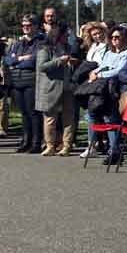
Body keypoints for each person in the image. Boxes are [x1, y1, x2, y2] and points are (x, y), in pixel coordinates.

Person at [86, 26, 127, 165]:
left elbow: (119, 71)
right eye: (112, 37)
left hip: (116, 90)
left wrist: (99, 74)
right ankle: (94, 145)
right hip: (102, 89)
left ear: (124, 38)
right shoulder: (108, 53)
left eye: (117, 37)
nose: (114, 40)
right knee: (92, 114)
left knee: (111, 119)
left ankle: (115, 151)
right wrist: (94, 72)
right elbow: (102, 66)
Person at [35, 23, 78, 157]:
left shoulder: (70, 48)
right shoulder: (45, 49)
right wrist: (60, 60)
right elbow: (42, 67)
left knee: (68, 118)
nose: (68, 37)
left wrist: (74, 62)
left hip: (68, 88)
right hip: (51, 88)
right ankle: (50, 146)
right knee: (50, 119)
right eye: (65, 35)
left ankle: (66, 146)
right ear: (57, 36)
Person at [5, 15, 45, 153]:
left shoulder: (40, 42)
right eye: (23, 25)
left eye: (28, 25)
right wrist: (21, 59)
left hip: (31, 81)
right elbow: (8, 60)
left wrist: (17, 60)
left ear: (35, 26)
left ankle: (36, 142)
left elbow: (34, 61)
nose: (25, 27)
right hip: (17, 82)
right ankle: (26, 141)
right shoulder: (17, 43)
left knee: (33, 113)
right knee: (23, 114)